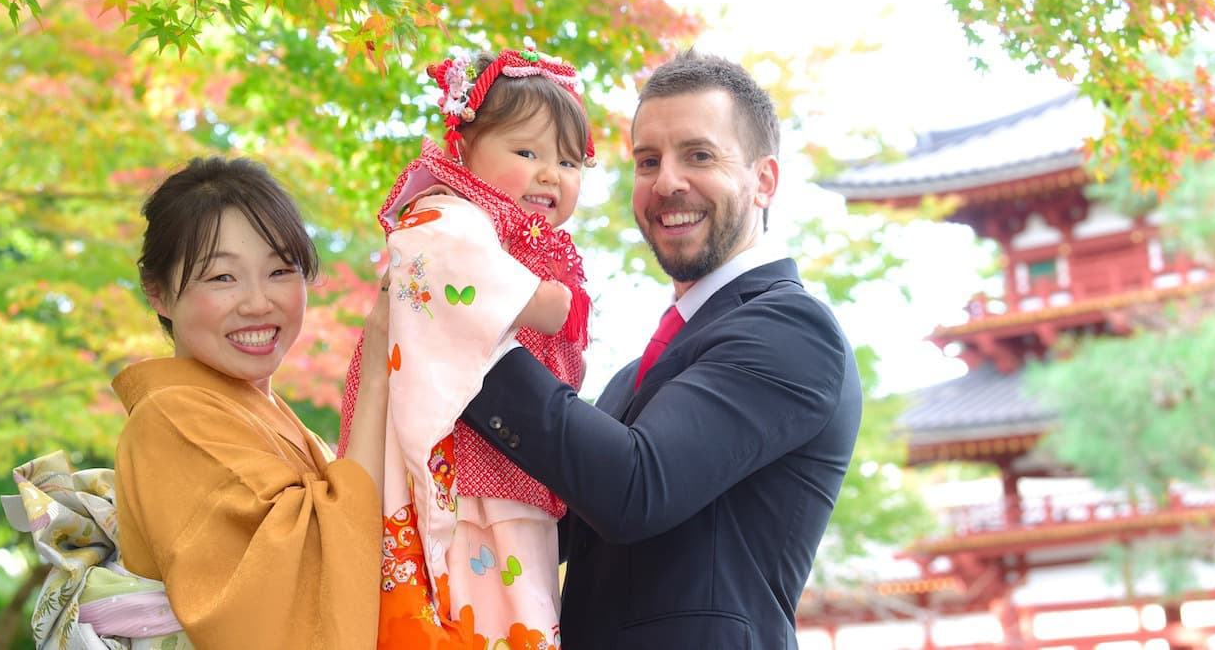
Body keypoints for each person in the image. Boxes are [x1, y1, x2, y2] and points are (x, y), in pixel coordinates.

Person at [371, 49, 864, 648]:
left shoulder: (790, 328)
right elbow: (550, 522)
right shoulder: (635, 377)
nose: (667, 182)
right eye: (648, 161)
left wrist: (459, 321)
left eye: (699, 155)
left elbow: (635, 487)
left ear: (764, 180)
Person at [338, 43, 596, 648]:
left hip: (510, 470)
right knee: (473, 603)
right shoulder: (447, 213)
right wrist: (532, 300)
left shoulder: (519, 240)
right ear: (465, 149)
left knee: (524, 599)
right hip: (458, 471)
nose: (549, 173)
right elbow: (443, 264)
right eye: (526, 151)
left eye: (568, 161)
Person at [111, 156, 391, 650]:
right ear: (158, 294)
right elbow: (313, 574)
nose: (258, 302)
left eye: (281, 270)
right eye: (222, 278)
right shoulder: (170, 417)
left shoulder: (257, 411)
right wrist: (375, 378)